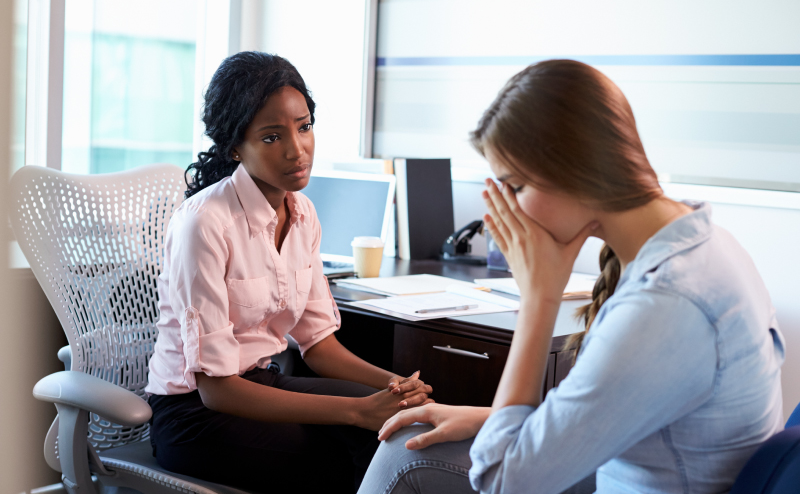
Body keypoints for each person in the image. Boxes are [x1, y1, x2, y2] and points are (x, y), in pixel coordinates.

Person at [358, 59, 785, 494]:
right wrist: (485, 417)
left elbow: (502, 482)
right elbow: (624, 410)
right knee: (409, 442)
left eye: (517, 187)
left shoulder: (666, 305)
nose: (507, 210)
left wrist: (539, 299)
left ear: (574, 170)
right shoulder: (704, 241)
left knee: (401, 456)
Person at [144, 52, 432, 493]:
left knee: (404, 425)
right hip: (194, 416)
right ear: (235, 146)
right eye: (272, 136)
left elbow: (318, 345)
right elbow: (216, 392)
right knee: (347, 452)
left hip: (262, 384)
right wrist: (356, 410)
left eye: (304, 127)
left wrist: (393, 385)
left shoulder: (303, 213)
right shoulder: (204, 223)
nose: (297, 150)